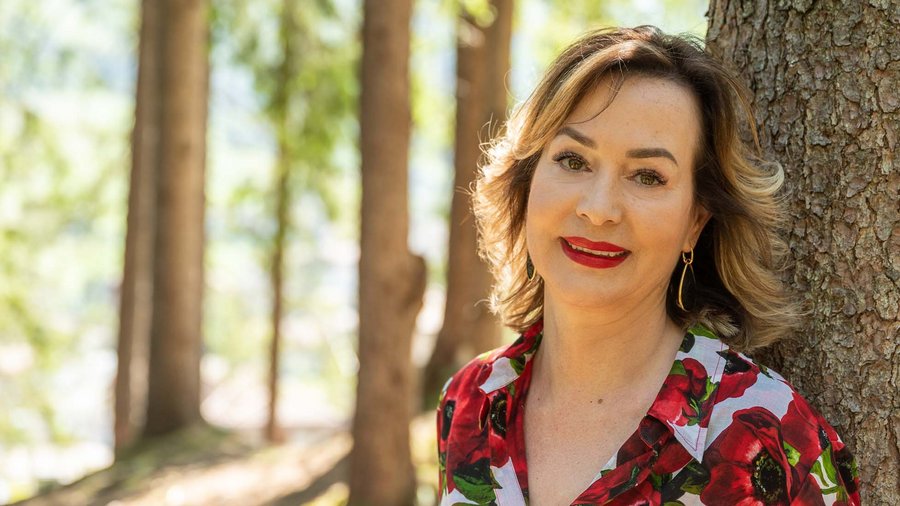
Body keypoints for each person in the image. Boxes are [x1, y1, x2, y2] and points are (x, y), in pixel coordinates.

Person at [435, 26, 860, 505]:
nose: (599, 209)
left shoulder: (771, 434)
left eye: (647, 176)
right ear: (528, 182)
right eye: (573, 160)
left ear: (695, 222)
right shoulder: (467, 402)